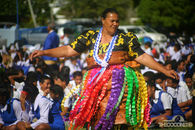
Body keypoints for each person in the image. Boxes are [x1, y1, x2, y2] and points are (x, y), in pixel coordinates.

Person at [30, 8, 178, 129]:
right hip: (95, 87)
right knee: (97, 121)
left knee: (119, 122)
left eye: (117, 21)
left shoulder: (126, 38)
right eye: (112, 21)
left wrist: (164, 70)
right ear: (103, 20)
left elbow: (142, 57)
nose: (115, 24)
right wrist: (44, 52)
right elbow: (69, 50)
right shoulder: (91, 36)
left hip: (119, 86)